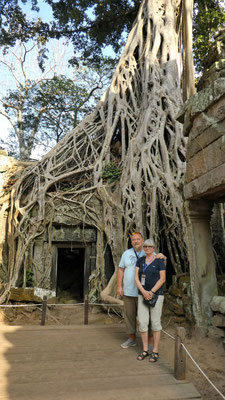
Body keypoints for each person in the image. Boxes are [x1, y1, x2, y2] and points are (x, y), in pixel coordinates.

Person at [117, 232, 166, 349]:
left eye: (138, 239)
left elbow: (162, 266)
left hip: (145, 293)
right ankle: (132, 339)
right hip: (129, 291)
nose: (136, 241)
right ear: (131, 241)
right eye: (133, 240)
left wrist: (163, 256)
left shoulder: (150, 252)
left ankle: (149, 342)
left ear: (142, 240)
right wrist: (119, 286)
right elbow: (120, 270)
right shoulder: (126, 254)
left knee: (147, 317)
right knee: (129, 315)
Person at [135, 238, 166, 362]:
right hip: (142, 294)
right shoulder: (140, 260)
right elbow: (136, 278)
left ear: (154, 248)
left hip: (157, 295)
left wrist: (152, 292)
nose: (147, 248)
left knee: (155, 322)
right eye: (145, 246)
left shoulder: (159, 260)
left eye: (150, 246)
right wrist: (143, 292)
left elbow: (162, 278)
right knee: (142, 322)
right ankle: (145, 349)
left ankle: (156, 351)